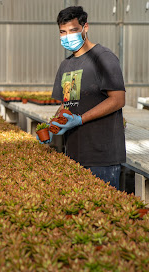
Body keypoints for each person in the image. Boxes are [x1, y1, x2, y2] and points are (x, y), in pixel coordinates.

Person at [38, 6, 126, 190]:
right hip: (74, 154)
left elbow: (118, 100)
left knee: (104, 213)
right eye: (63, 32)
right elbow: (67, 103)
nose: (67, 36)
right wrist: (52, 128)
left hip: (102, 158)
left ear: (85, 27)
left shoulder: (103, 58)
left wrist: (80, 119)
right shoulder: (66, 65)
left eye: (73, 30)